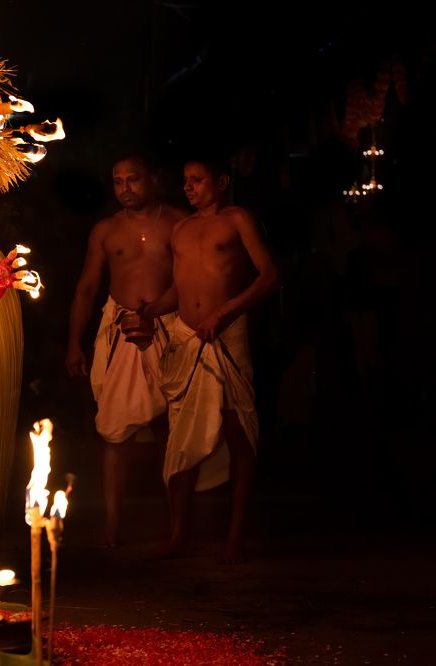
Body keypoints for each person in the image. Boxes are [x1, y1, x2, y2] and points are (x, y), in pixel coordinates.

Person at [141, 150, 278, 564]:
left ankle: (235, 535)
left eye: (197, 179)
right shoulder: (181, 229)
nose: (188, 186)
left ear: (220, 182)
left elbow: (270, 276)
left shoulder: (238, 219)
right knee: (180, 436)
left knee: (238, 429)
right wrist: (146, 314)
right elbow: (176, 290)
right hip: (187, 336)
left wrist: (224, 312)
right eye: (185, 179)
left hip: (227, 334)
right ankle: (178, 533)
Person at [66, 153, 187, 547]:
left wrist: (158, 312)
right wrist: (74, 343)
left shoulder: (179, 223)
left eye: (133, 179)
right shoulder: (106, 230)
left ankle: (176, 528)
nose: (125, 188)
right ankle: (113, 527)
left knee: (171, 428)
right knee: (115, 431)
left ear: (153, 180)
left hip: (168, 326)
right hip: (120, 328)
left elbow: (192, 279)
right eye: (118, 181)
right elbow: (87, 287)